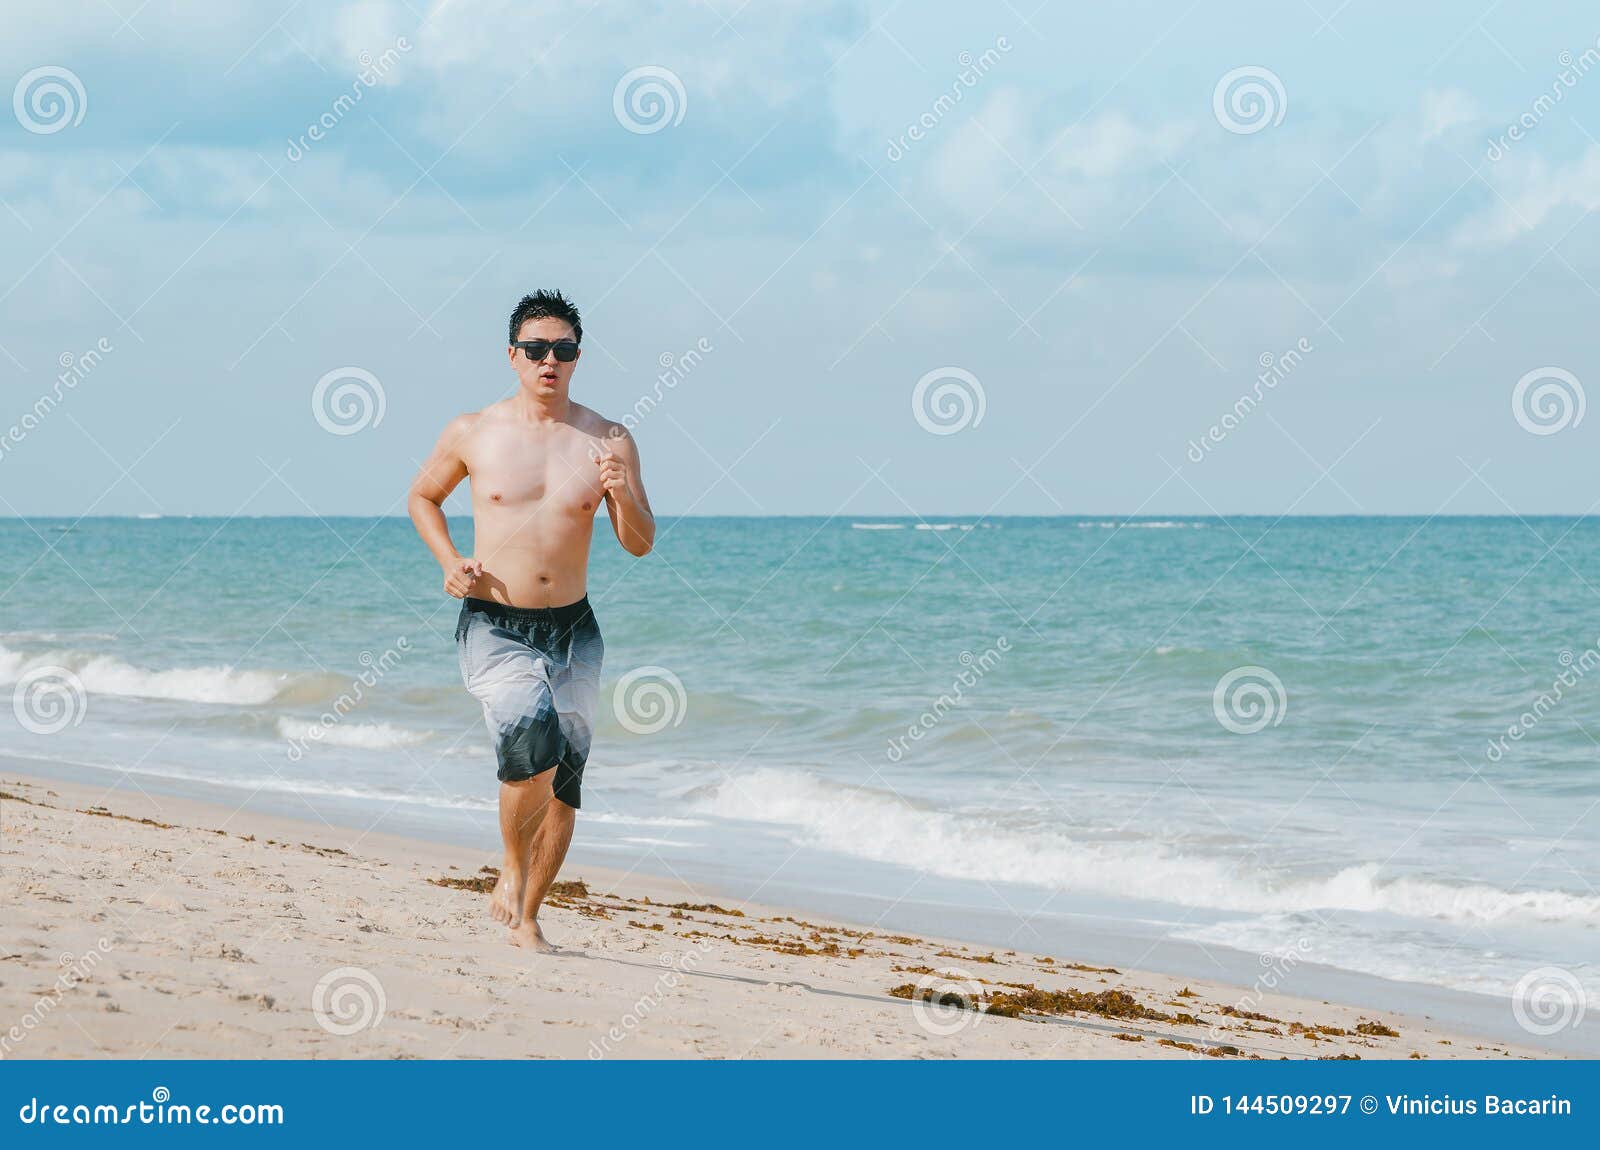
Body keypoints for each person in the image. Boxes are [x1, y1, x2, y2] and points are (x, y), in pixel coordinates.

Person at [408, 289, 654, 951]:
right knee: (532, 761)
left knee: (566, 789)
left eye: (564, 350)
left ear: (578, 358)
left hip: (574, 628)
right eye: (537, 349)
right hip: (495, 621)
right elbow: (423, 496)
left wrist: (621, 490)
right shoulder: (473, 431)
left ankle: (528, 917)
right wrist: (449, 559)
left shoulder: (609, 438)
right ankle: (511, 867)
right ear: (512, 356)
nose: (551, 360)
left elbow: (639, 541)